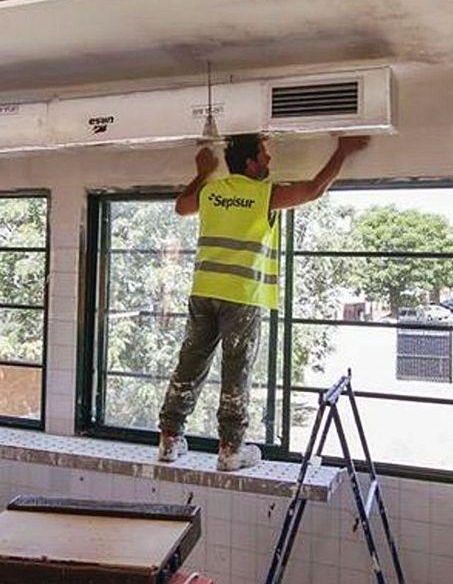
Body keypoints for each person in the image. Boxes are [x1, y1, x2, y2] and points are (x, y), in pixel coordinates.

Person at [158, 133, 369, 471]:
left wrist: (202, 172)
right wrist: (342, 151)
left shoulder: (212, 192)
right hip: (240, 296)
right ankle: (230, 449)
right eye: (264, 156)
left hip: (204, 290)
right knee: (236, 370)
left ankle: (169, 440)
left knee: (190, 363)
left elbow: (181, 206)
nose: (269, 162)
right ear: (250, 163)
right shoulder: (263, 195)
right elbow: (315, 189)